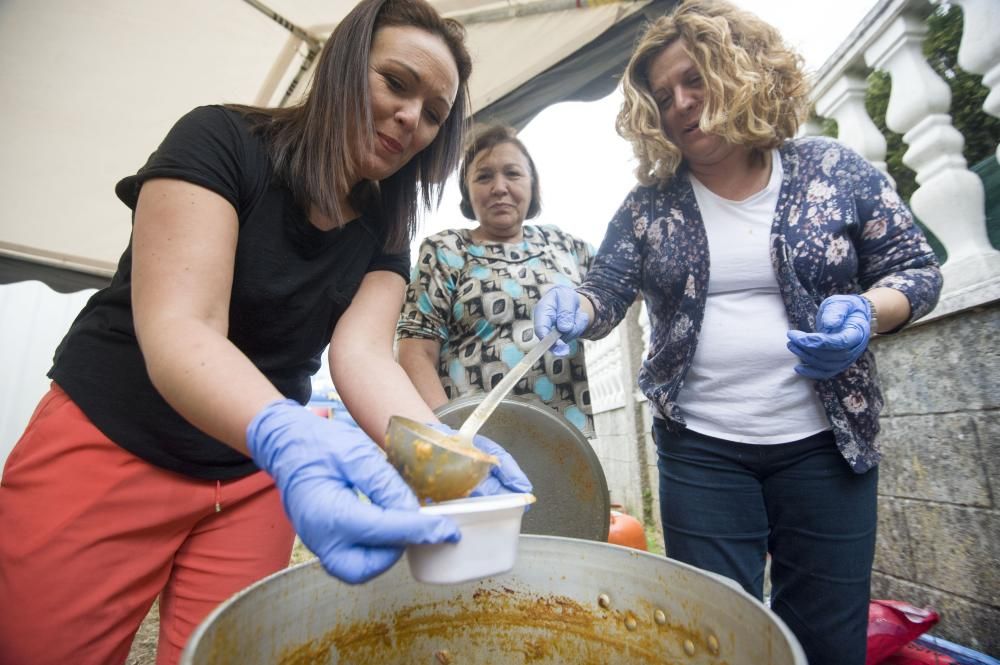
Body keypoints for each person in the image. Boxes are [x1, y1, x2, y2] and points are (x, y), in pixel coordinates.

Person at [0, 1, 531, 663]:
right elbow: (182, 327)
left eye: (433, 113)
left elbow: (363, 355)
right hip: (114, 441)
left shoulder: (386, 232)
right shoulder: (218, 141)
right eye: (396, 83)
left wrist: (444, 450)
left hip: (253, 479)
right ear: (342, 66)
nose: (411, 120)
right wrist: (286, 432)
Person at [532, 1, 942, 664]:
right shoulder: (650, 205)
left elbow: (915, 270)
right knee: (714, 641)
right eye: (663, 96)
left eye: (695, 80)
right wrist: (574, 306)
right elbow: (602, 291)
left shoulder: (833, 171)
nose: (681, 104)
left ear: (744, 72)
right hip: (703, 454)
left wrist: (870, 311)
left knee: (829, 640)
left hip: (825, 449)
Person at [397, 124, 596, 436]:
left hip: (562, 442)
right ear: (467, 191)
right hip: (472, 438)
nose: (499, 187)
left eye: (512, 173)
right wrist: (450, 434)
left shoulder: (565, 245)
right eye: (484, 176)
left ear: (533, 185)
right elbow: (415, 351)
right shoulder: (445, 250)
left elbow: (622, 286)